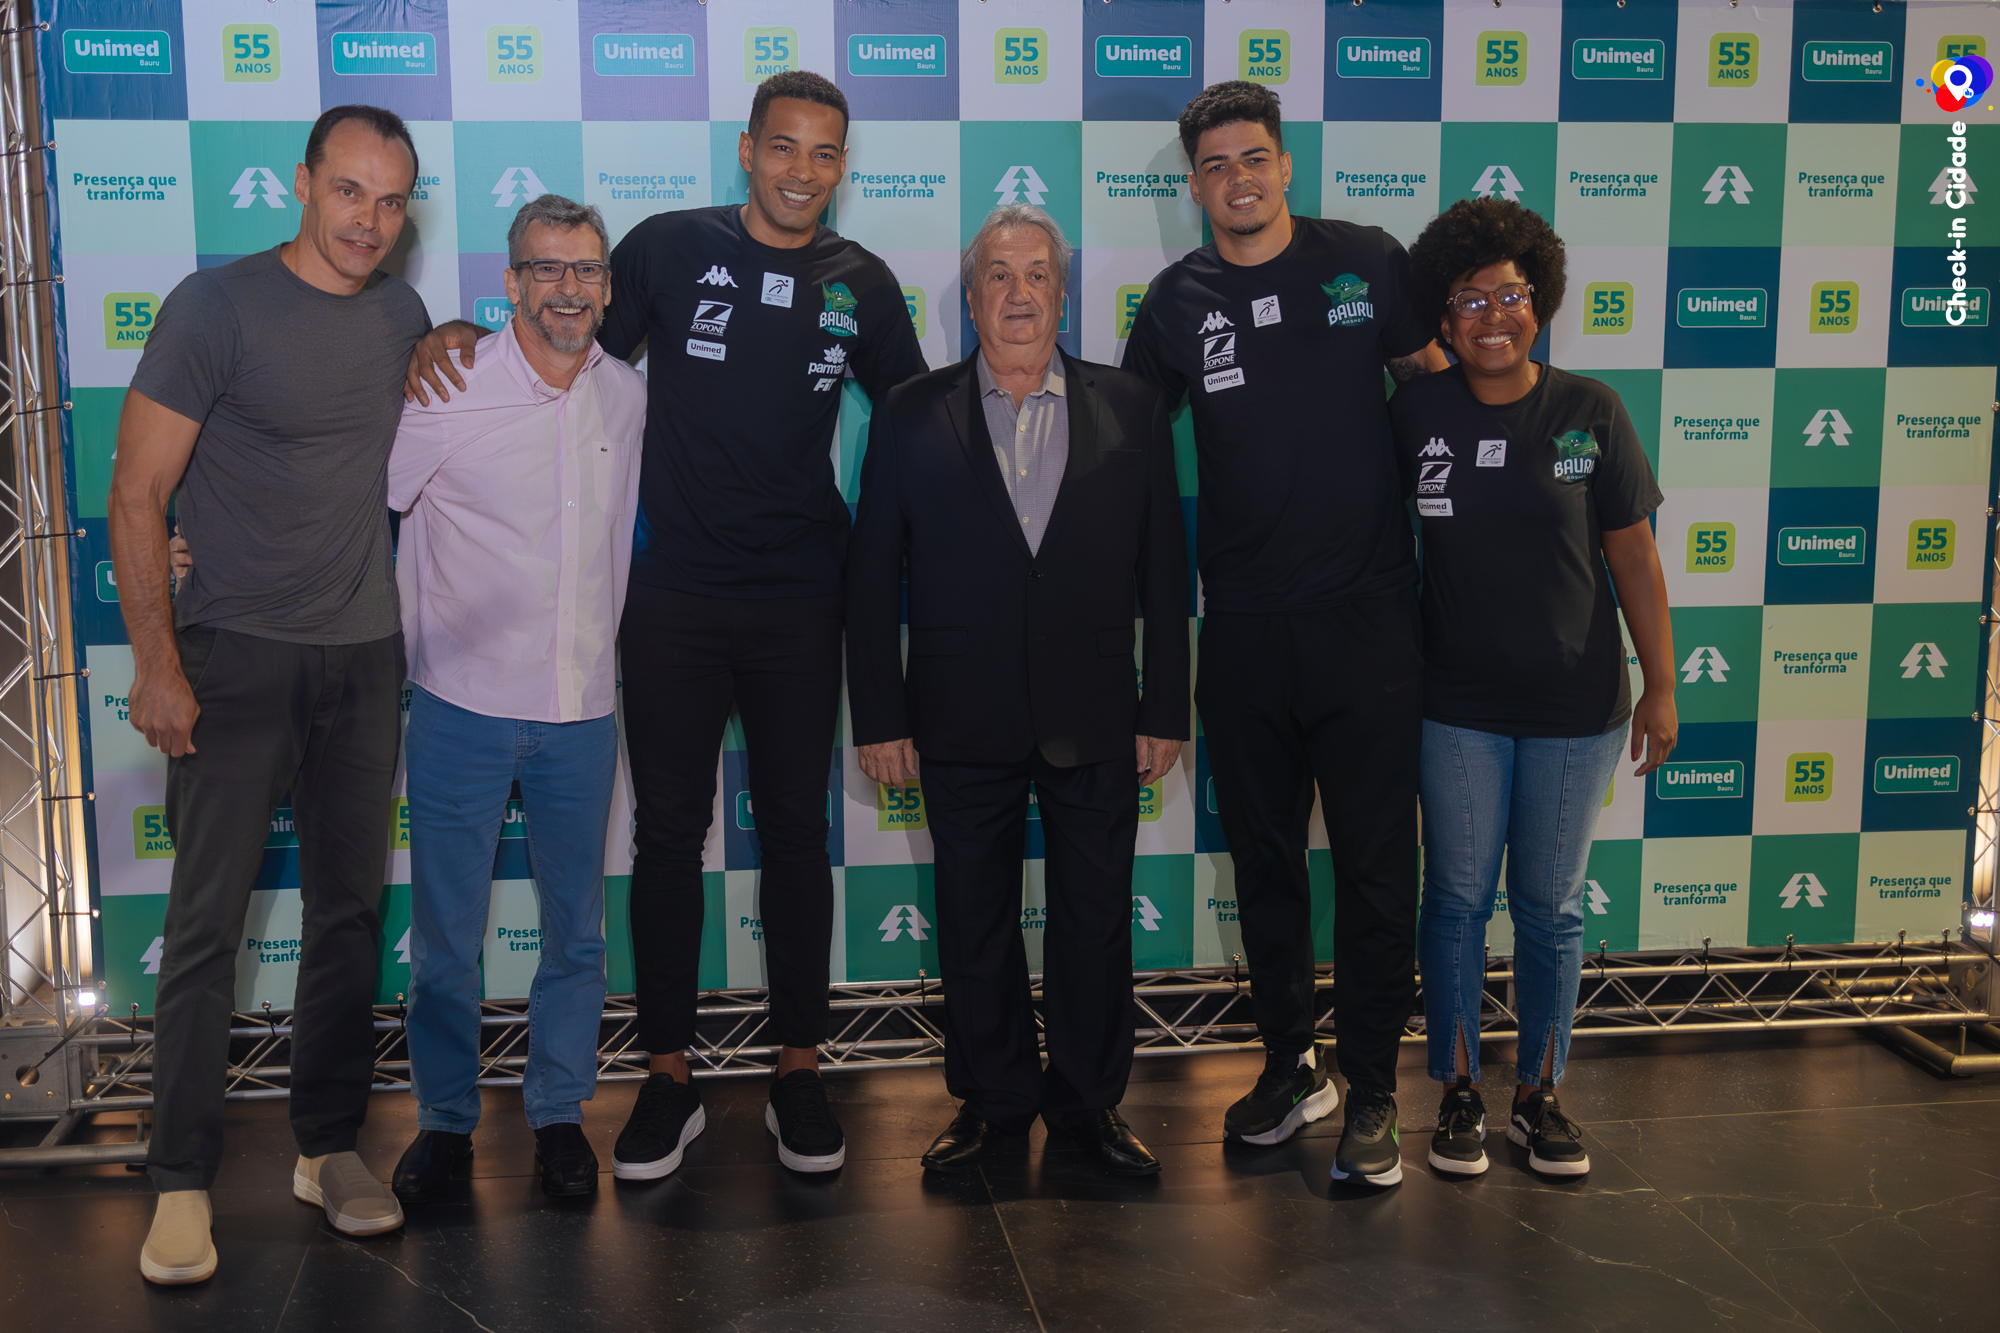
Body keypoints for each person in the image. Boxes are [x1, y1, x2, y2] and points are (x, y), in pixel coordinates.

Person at [403, 71, 926, 1178]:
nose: (800, 171)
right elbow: (567, 355)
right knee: (666, 837)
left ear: (843, 165)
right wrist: (457, 332)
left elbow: (918, 423)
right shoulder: (668, 249)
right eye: (781, 146)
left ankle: (798, 1069)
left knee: (796, 835)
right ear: (747, 149)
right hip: (671, 601)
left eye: (823, 152)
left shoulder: (865, 285)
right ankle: (669, 1077)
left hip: (801, 604)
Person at [109, 106, 430, 1284]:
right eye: (348, 192)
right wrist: (158, 662)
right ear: (301, 184)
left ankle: (326, 1147)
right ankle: (179, 1178)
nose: (368, 222)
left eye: (390, 202)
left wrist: (453, 332)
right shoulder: (216, 307)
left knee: (347, 915)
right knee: (205, 927)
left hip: (364, 652)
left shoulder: (401, 316)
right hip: (234, 654)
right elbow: (136, 492)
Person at [1120, 82, 1446, 1186]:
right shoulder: (1175, 301)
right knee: (1263, 866)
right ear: (1194, 183)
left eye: (1253, 158)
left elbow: (1434, 395)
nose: (1237, 180)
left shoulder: (1365, 260)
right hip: (1246, 630)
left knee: (1374, 868)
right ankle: (1288, 1066)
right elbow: (1124, 447)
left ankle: (1373, 1086)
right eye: (1214, 166)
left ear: (1285, 163)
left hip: (1368, 622)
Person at [847, 205, 1190, 1176]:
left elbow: (1166, 571)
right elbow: (870, 576)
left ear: (1062, 295)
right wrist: (881, 715)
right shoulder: (910, 409)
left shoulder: (1131, 405)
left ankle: (1088, 1102)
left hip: (1098, 709)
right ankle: (993, 1101)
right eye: (997, 274)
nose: (1018, 292)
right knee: (973, 918)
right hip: (959, 711)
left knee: (1096, 920)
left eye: (1037, 273)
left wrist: (1165, 706)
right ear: (970, 297)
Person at [1394, 199, 1675, 1178]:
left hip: (1574, 708)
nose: (1491, 317)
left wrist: (1661, 685)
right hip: (1454, 706)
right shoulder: (1415, 412)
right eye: (1468, 300)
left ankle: (1539, 1096)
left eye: (1509, 295)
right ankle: (1459, 1091)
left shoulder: (1591, 409)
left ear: (1540, 302)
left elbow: (1634, 557)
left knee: (1550, 906)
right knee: (1456, 898)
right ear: (1442, 316)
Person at [383, 195, 644, 1199]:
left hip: (582, 711)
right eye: (547, 269)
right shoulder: (445, 385)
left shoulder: (628, 397)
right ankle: (445, 1119)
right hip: (459, 707)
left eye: (586, 270)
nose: (568, 289)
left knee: (576, 933)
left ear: (608, 287)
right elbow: (367, 505)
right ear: (511, 283)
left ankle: (558, 1112)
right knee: (447, 936)